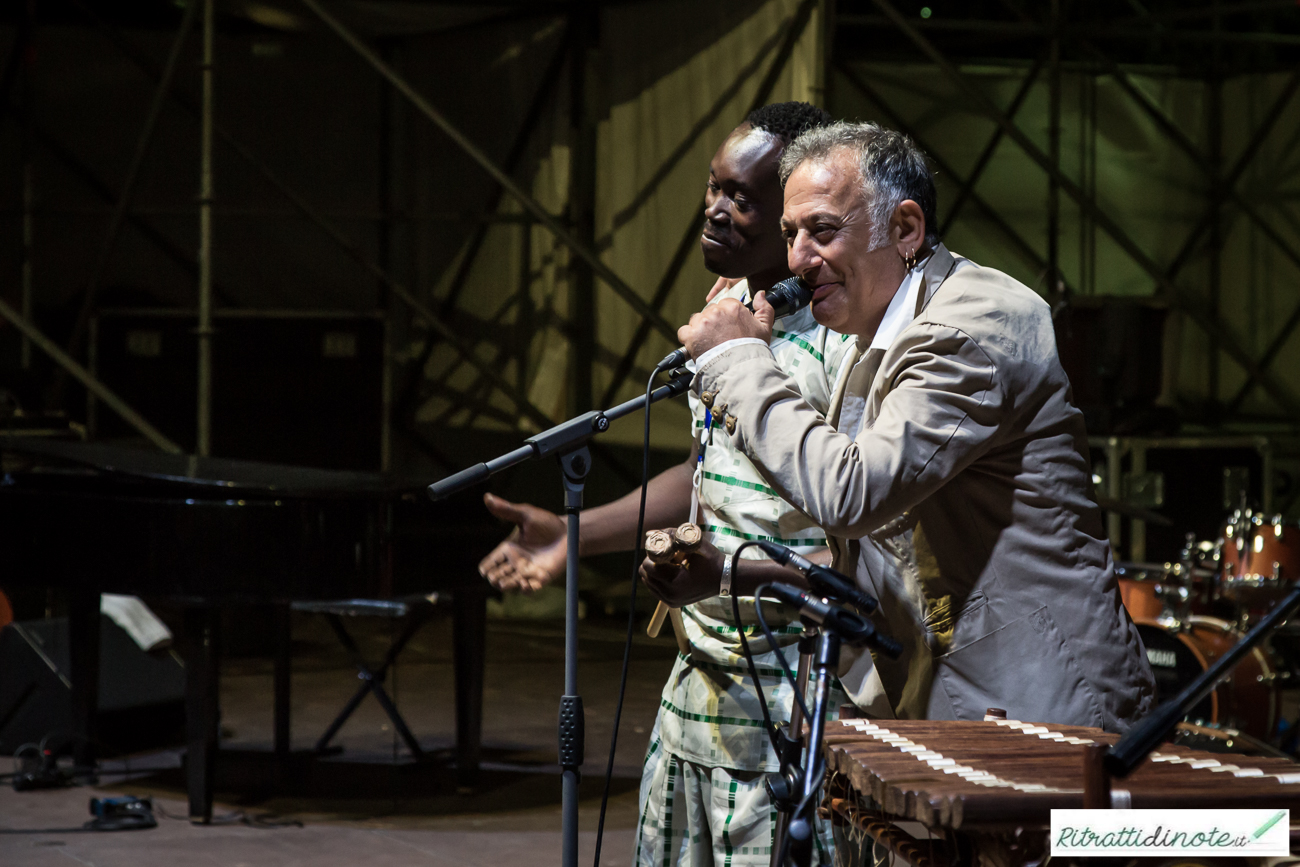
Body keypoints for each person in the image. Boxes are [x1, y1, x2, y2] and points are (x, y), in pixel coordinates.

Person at [669, 121, 1156, 730]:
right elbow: (862, 554)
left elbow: (851, 496)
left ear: (904, 229)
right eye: (790, 233)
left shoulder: (969, 331)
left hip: (1046, 705)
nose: (796, 259)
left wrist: (734, 360)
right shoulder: (874, 330)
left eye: (822, 230)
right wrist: (730, 576)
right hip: (959, 694)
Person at [478, 103, 853, 866]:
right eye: (714, 187)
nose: (716, 207)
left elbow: (854, 546)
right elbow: (703, 468)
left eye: (743, 197)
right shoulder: (722, 310)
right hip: (695, 692)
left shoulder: (845, 344)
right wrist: (571, 535)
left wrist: (728, 573)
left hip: (790, 702)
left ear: (791, 219)